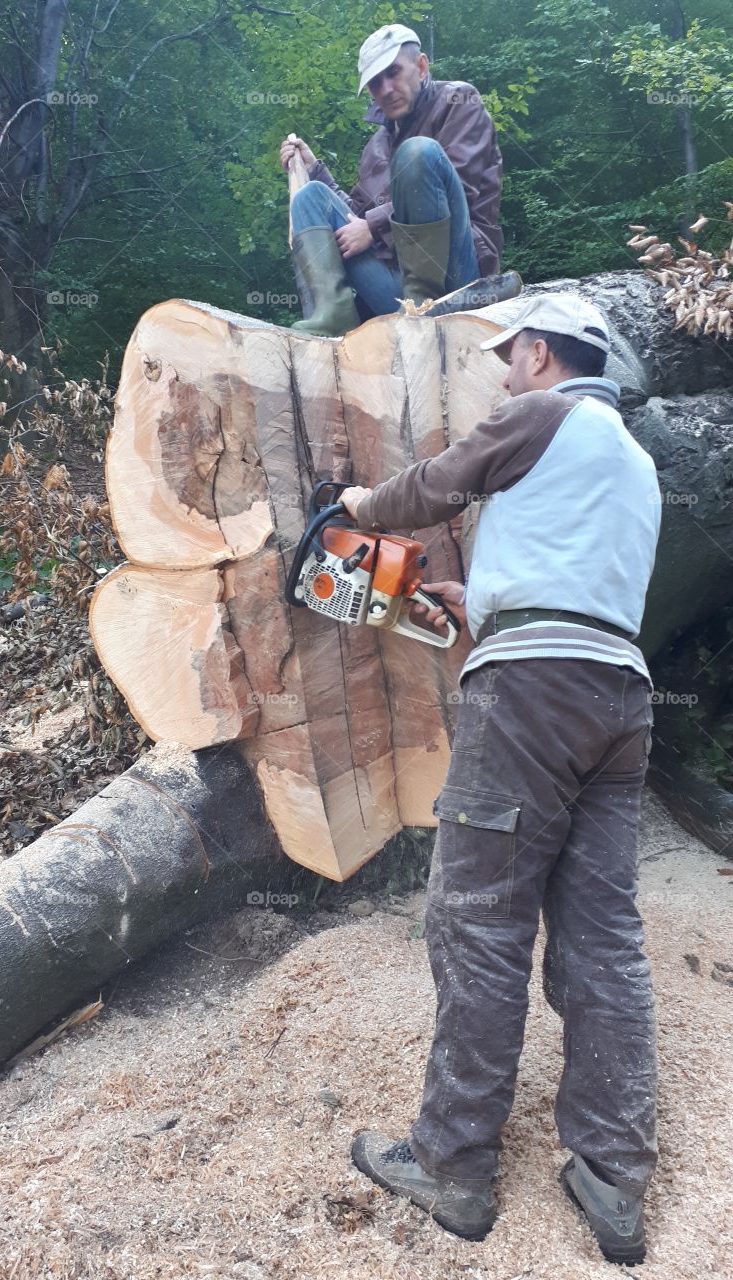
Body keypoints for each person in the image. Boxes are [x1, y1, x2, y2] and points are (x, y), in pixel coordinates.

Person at [339, 293, 662, 1267]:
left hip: (528, 697)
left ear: (538, 352)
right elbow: (573, 578)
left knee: (477, 916)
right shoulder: (634, 463)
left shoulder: (542, 412)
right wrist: (474, 600)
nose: (502, 372)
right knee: (604, 933)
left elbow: (436, 485)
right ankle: (614, 1169)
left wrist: (357, 507)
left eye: (509, 356)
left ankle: (453, 1161)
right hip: (620, 701)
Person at [279, 23, 520, 337]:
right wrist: (316, 170)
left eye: (393, 72)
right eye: (375, 83)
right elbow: (357, 216)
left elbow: (459, 189)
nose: (386, 89)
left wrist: (374, 226)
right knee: (310, 196)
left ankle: (423, 307)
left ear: (420, 66)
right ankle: (336, 316)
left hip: (457, 283)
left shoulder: (459, 102)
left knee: (418, 153)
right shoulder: (376, 146)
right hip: (397, 292)